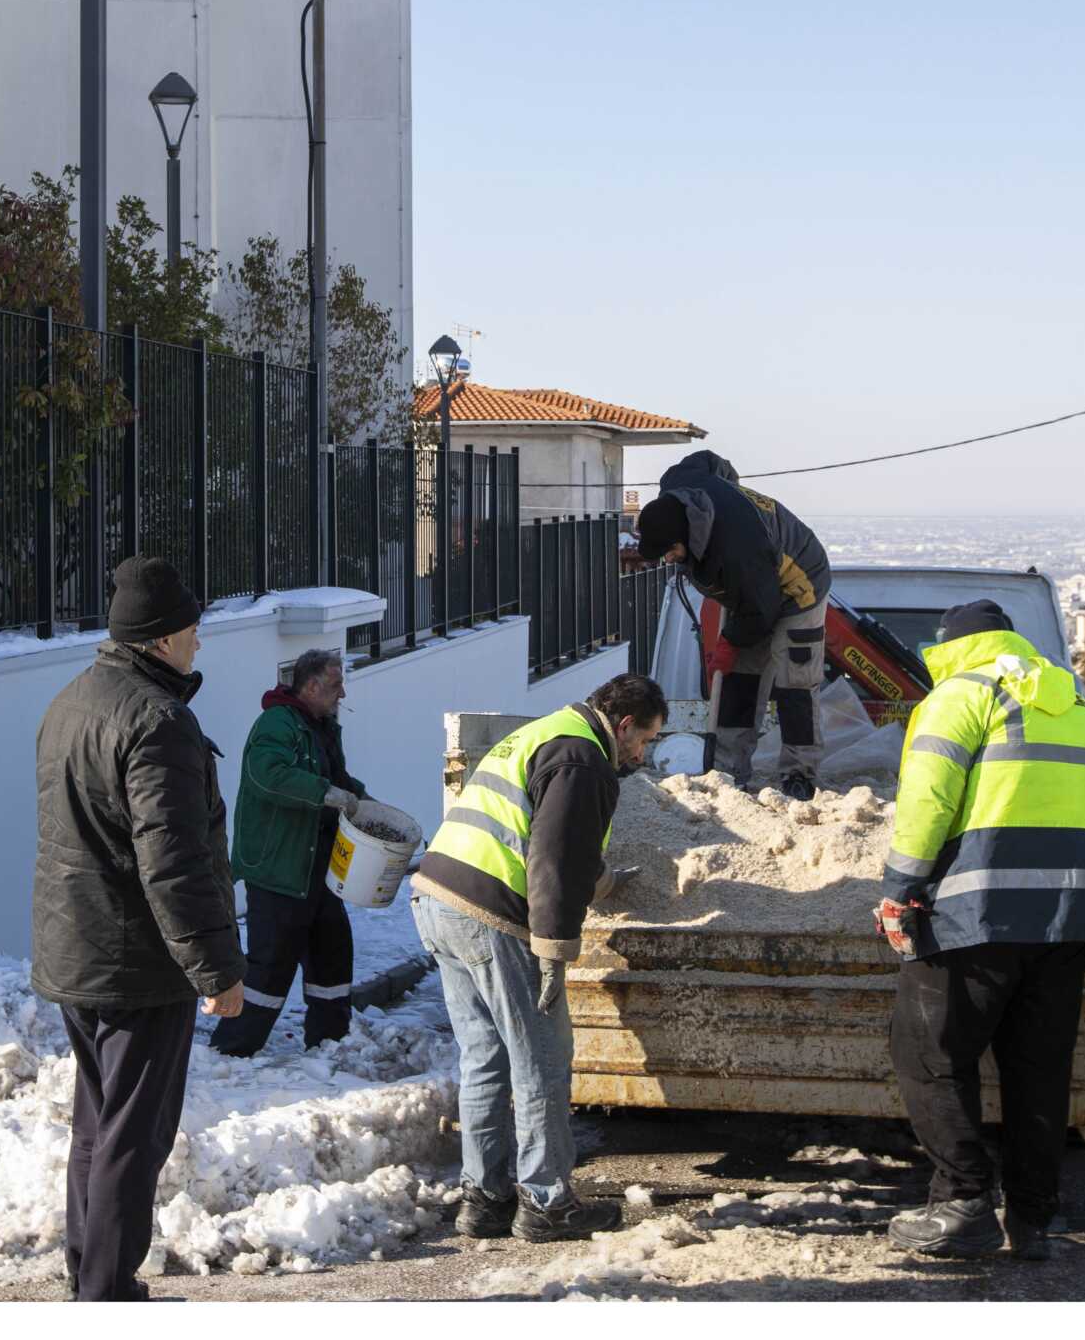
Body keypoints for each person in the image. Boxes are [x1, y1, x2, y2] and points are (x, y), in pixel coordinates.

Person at [876, 598, 1085, 1260]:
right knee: (1038, 1067)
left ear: (949, 645)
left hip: (985, 906)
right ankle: (1033, 1216)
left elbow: (928, 797)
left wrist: (899, 885)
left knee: (929, 1052)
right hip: (1075, 914)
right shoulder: (1074, 702)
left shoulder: (959, 695)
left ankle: (963, 1199)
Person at [31, 556, 245, 1303]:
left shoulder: (72, 700)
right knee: (133, 1132)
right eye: (191, 630)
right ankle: (108, 1293)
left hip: (79, 949)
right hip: (136, 961)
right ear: (159, 640)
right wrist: (216, 969)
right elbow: (174, 863)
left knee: (98, 1123)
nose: (198, 643)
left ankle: (87, 1271)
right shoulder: (158, 722)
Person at [409, 672, 668, 1243]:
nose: (642, 753)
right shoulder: (584, 759)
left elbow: (538, 833)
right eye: (645, 740)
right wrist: (554, 951)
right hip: (489, 915)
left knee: (484, 1058)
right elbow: (551, 860)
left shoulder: (549, 731)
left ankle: (483, 1198)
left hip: (437, 897)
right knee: (542, 1057)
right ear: (623, 725)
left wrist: (596, 878)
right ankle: (548, 1202)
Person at [633, 449, 832, 801]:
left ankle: (799, 775)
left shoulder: (739, 549)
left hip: (798, 585)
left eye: (669, 552)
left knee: (794, 683)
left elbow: (762, 612)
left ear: (684, 537)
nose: (668, 559)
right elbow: (709, 460)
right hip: (754, 594)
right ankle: (728, 770)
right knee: (740, 682)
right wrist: (731, 491)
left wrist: (728, 643)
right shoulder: (677, 484)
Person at [212, 647, 369, 1057]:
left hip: (319, 867)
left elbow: (337, 778)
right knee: (270, 964)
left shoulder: (323, 728)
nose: (343, 695)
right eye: (336, 685)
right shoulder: (276, 725)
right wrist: (325, 794)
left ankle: (330, 1042)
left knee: (332, 954)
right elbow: (268, 775)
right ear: (312, 686)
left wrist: (363, 802)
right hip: (281, 868)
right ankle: (233, 1049)